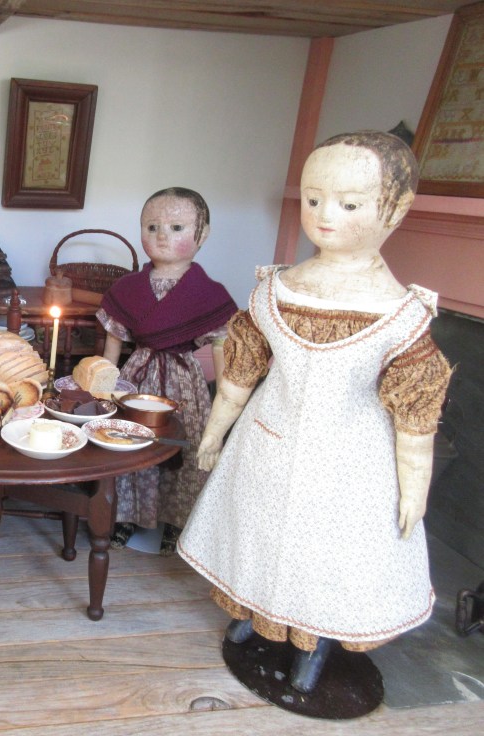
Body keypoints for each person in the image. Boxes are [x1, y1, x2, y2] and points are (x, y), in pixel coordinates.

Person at [178, 131, 452, 694]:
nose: (325, 215)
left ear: (395, 209)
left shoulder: (400, 315)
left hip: (351, 463)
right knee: (257, 530)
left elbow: (415, 417)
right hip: (267, 442)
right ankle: (254, 611)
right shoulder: (276, 290)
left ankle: (315, 638)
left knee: (329, 553)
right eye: (313, 198)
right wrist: (214, 432)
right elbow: (239, 375)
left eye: (349, 204)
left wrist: (414, 487)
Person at [97, 188, 238, 551]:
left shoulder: (209, 293)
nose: (162, 235)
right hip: (136, 377)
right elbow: (113, 344)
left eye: (177, 227)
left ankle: (178, 521)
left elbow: (222, 349)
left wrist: (226, 401)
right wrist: (104, 389)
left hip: (184, 382)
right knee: (128, 442)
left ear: (202, 235)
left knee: (185, 447)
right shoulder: (127, 288)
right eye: (152, 226)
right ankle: (125, 515)